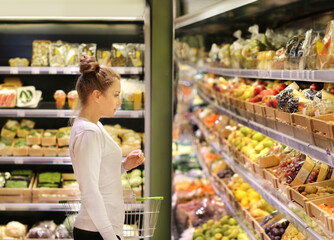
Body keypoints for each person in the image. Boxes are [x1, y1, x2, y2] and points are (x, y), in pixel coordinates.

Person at [69, 54, 145, 240]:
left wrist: (124, 166)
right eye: (116, 95)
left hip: (100, 231)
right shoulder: (89, 132)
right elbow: (90, 191)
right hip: (96, 232)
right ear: (97, 96)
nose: (119, 101)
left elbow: (100, 176)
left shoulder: (95, 126)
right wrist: (110, 236)